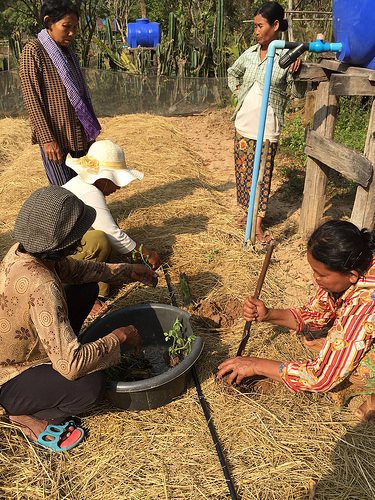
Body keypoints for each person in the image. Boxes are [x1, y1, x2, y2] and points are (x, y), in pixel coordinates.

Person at [0, 186, 158, 451]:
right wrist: (118, 337)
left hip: (28, 348)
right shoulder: (42, 284)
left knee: (86, 287)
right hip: (9, 378)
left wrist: (127, 270)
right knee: (90, 387)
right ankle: (21, 414)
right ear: (64, 243)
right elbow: (71, 366)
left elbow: (79, 270)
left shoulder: (26, 251)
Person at [217, 220, 375, 424]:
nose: (315, 278)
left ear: (352, 275)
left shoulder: (365, 302)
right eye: (314, 270)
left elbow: (321, 377)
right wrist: (267, 315)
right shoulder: (356, 260)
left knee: (360, 366)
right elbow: (318, 314)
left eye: (322, 275)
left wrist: (256, 365)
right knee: (328, 342)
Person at [228, 1, 304, 243]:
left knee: (261, 175)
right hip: (243, 124)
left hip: (268, 126)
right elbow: (232, 72)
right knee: (243, 173)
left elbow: (299, 94)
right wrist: (239, 90)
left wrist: (297, 71)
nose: (257, 31)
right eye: (255, 26)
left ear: (276, 26)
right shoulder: (249, 54)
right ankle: (246, 213)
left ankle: (257, 225)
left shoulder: (286, 58)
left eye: (261, 26)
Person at [63, 139, 161, 304]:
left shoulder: (80, 184)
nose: (119, 188)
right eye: (116, 181)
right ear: (104, 178)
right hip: (57, 263)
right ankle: (92, 296)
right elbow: (113, 235)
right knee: (100, 240)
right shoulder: (90, 193)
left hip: (60, 250)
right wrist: (148, 254)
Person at [19, 0, 101, 186]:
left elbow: (79, 95)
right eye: (66, 26)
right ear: (49, 22)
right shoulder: (33, 51)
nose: (72, 33)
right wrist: (47, 140)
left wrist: (89, 134)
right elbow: (32, 101)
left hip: (78, 136)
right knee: (65, 192)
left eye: (74, 27)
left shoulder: (68, 53)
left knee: (86, 188)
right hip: (56, 138)